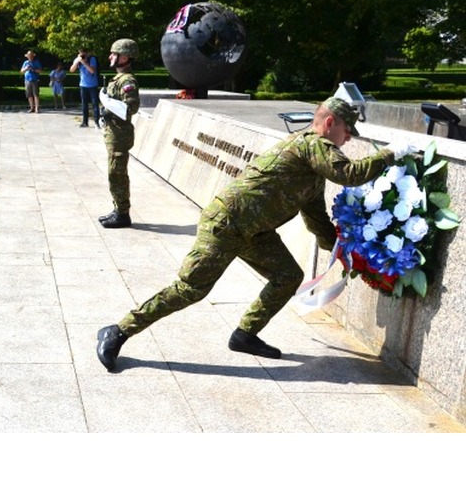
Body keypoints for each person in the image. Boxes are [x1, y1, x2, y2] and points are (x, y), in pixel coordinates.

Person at [96, 97, 416, 371]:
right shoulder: (310, 144)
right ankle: (118, 331)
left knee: (288, 275)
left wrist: (347, 257)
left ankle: (245, 335)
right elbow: (349, 174)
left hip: (255, 232)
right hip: (226, 224)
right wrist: (391, 153)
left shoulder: (312, 171)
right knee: (191, 289)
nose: (347, 139)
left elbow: (317, 221)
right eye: (347, 132)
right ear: (330, 122)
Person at [97, 39, 141, 229]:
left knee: (117, 173)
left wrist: (109, 108)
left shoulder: (128, 81)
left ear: (124, 57)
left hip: (120, 135)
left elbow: (132, 107)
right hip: (113, 133)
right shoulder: (118, 79)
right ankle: (117, 208)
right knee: (114, 172)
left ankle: (123, 214)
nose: (110, 57)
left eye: (114, 54)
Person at [70, 47, 101, 128]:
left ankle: (97, 122)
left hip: (93, 85)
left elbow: (92, 71)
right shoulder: (79, 59)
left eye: (84, 54)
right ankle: (85, 122)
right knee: (84, 105)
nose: (82, 56)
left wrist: (84, 63)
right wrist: (77, 62)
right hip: (83, 85)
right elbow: (71, 70)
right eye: (81, 54)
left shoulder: (92, 59)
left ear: (87, 54)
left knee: (95, 104)